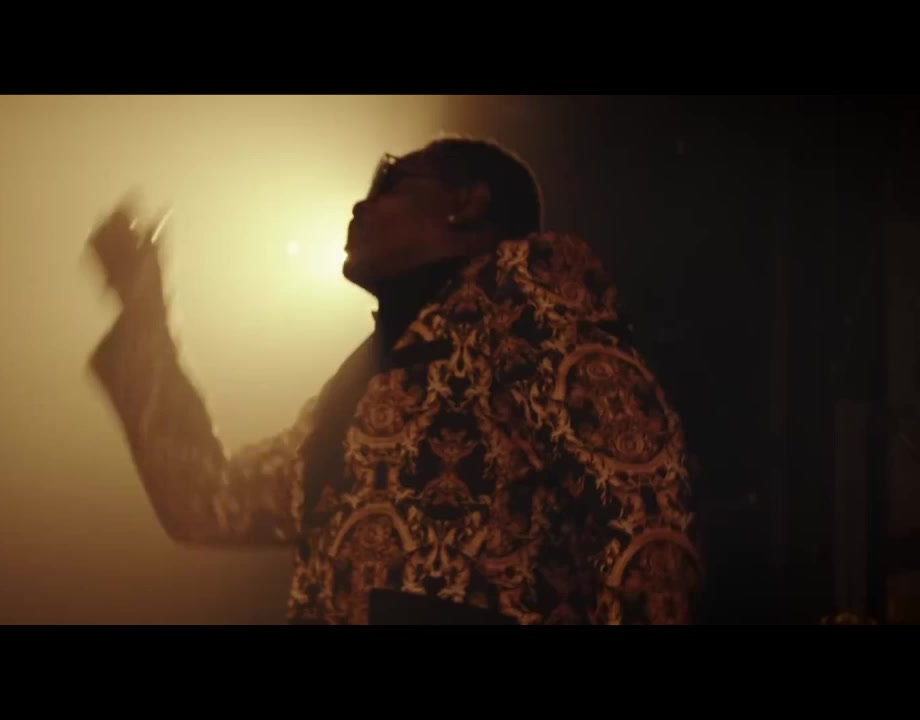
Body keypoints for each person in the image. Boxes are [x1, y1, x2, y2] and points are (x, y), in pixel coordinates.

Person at [86, 136, 702, 624]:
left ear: (468, 202)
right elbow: (207, 504)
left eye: (390, 184)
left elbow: (643, 504)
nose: (360, 205)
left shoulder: (527, 296)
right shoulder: (361, 390)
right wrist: (143, 310)